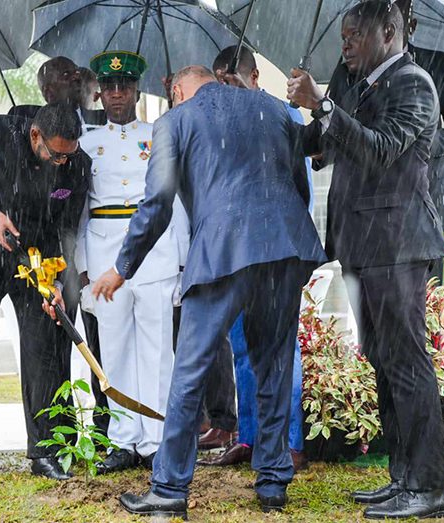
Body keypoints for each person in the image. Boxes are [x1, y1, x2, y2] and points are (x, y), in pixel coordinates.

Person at [94, 65, 326, 518]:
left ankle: (168, 491)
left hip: (220, 251)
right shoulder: (277, 109)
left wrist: (123, 268)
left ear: (178, 90)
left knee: (190, 370)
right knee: (273, 365)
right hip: (283, 245)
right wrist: (285, 238)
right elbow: (299, 185)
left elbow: (157, 203)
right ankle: (273, 480)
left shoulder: (174, 122)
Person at [288, 1, 444, 519]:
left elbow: (381, 149)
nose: (346, 45)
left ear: (389, 31)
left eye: (354, 36)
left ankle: (430, 487)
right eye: (343, 37)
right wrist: (301, 111)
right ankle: (402, 478)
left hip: (399, 246)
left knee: (407, 364)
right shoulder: (361, 88)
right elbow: (324, 144)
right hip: (364, 247)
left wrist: (327, 108)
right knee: (384, 363)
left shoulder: (413, 84)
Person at [0, 103, 90, 481]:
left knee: (41, 354)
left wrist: (58, 279)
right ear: (35, 135)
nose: (61, 162)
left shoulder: (77, 163)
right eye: (55, 154)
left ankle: (43, 452)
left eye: (67, 155)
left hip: (36, 264)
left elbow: (67, 227)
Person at [200, 45, 312, 472]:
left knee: (282, 351)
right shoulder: (213, 124)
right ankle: (249, 438)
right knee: (241, 346)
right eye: (218, 80)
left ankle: (289, 443)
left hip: (278, 250)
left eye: (231, 78)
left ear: (253, 77)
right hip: (233, 252)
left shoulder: (286, 115)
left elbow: (300, 187)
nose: (225, 87)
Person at [76, 51, 188, 473]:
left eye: (125, 87)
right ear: (100, 93)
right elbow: (80, 214)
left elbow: (174, 204)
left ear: (137, 90)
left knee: (159, 352)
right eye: (110, 87)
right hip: (106, 257)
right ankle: (124, 441)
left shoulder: (160, 135)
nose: (117, 94)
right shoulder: (86, 143)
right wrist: (84, 270)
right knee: (116, 350)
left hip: (155, 253)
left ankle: (156, 440)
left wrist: (181, 263)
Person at [325, 0, 444, 284]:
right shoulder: (347, 70)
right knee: (366, 323)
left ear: (408, 26)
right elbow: (335, 133)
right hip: (357, 212)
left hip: (415, 210)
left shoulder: (439, 65)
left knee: (421, 314)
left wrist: (419, 141)